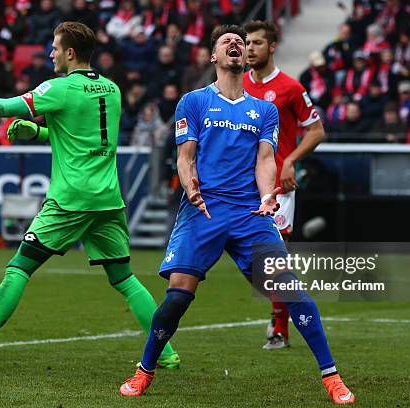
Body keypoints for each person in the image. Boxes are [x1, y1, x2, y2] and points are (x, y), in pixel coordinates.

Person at [119, 25, 355, 405]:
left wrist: (266, 196)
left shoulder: (264, 110)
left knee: (290, 291)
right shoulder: (193, 102)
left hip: (249, 213)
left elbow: (265, 160)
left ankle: (332, 377)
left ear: (246, 58)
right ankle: (144, 370)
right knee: (178, 296)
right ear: (214, 57)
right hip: (204, 210)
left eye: (241, 44)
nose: (235, 45)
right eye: (227, 42)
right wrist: (189, 186)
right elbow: (185, 156)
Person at [0, 21, 180, 370]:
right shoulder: (111, 89)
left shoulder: (60, 88)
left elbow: (3, 108)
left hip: (70, 200)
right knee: (124, 279)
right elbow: (79, 136)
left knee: (19, 266)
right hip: (107, 199)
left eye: (54, 46)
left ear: (69, 53)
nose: (49, 53)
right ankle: (166, 353)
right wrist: (37, 131)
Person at [242, 21, 326, 350]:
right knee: (254, 262)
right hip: (240, 184)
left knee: (272, 257)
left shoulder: (290, 87)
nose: (250, 49)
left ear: (272, 46)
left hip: (277, 185)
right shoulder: (236, 86)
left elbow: (317, 131)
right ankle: (281, 311)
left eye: (257, 43)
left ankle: (279, 327)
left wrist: (290, 160)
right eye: (247, 43)